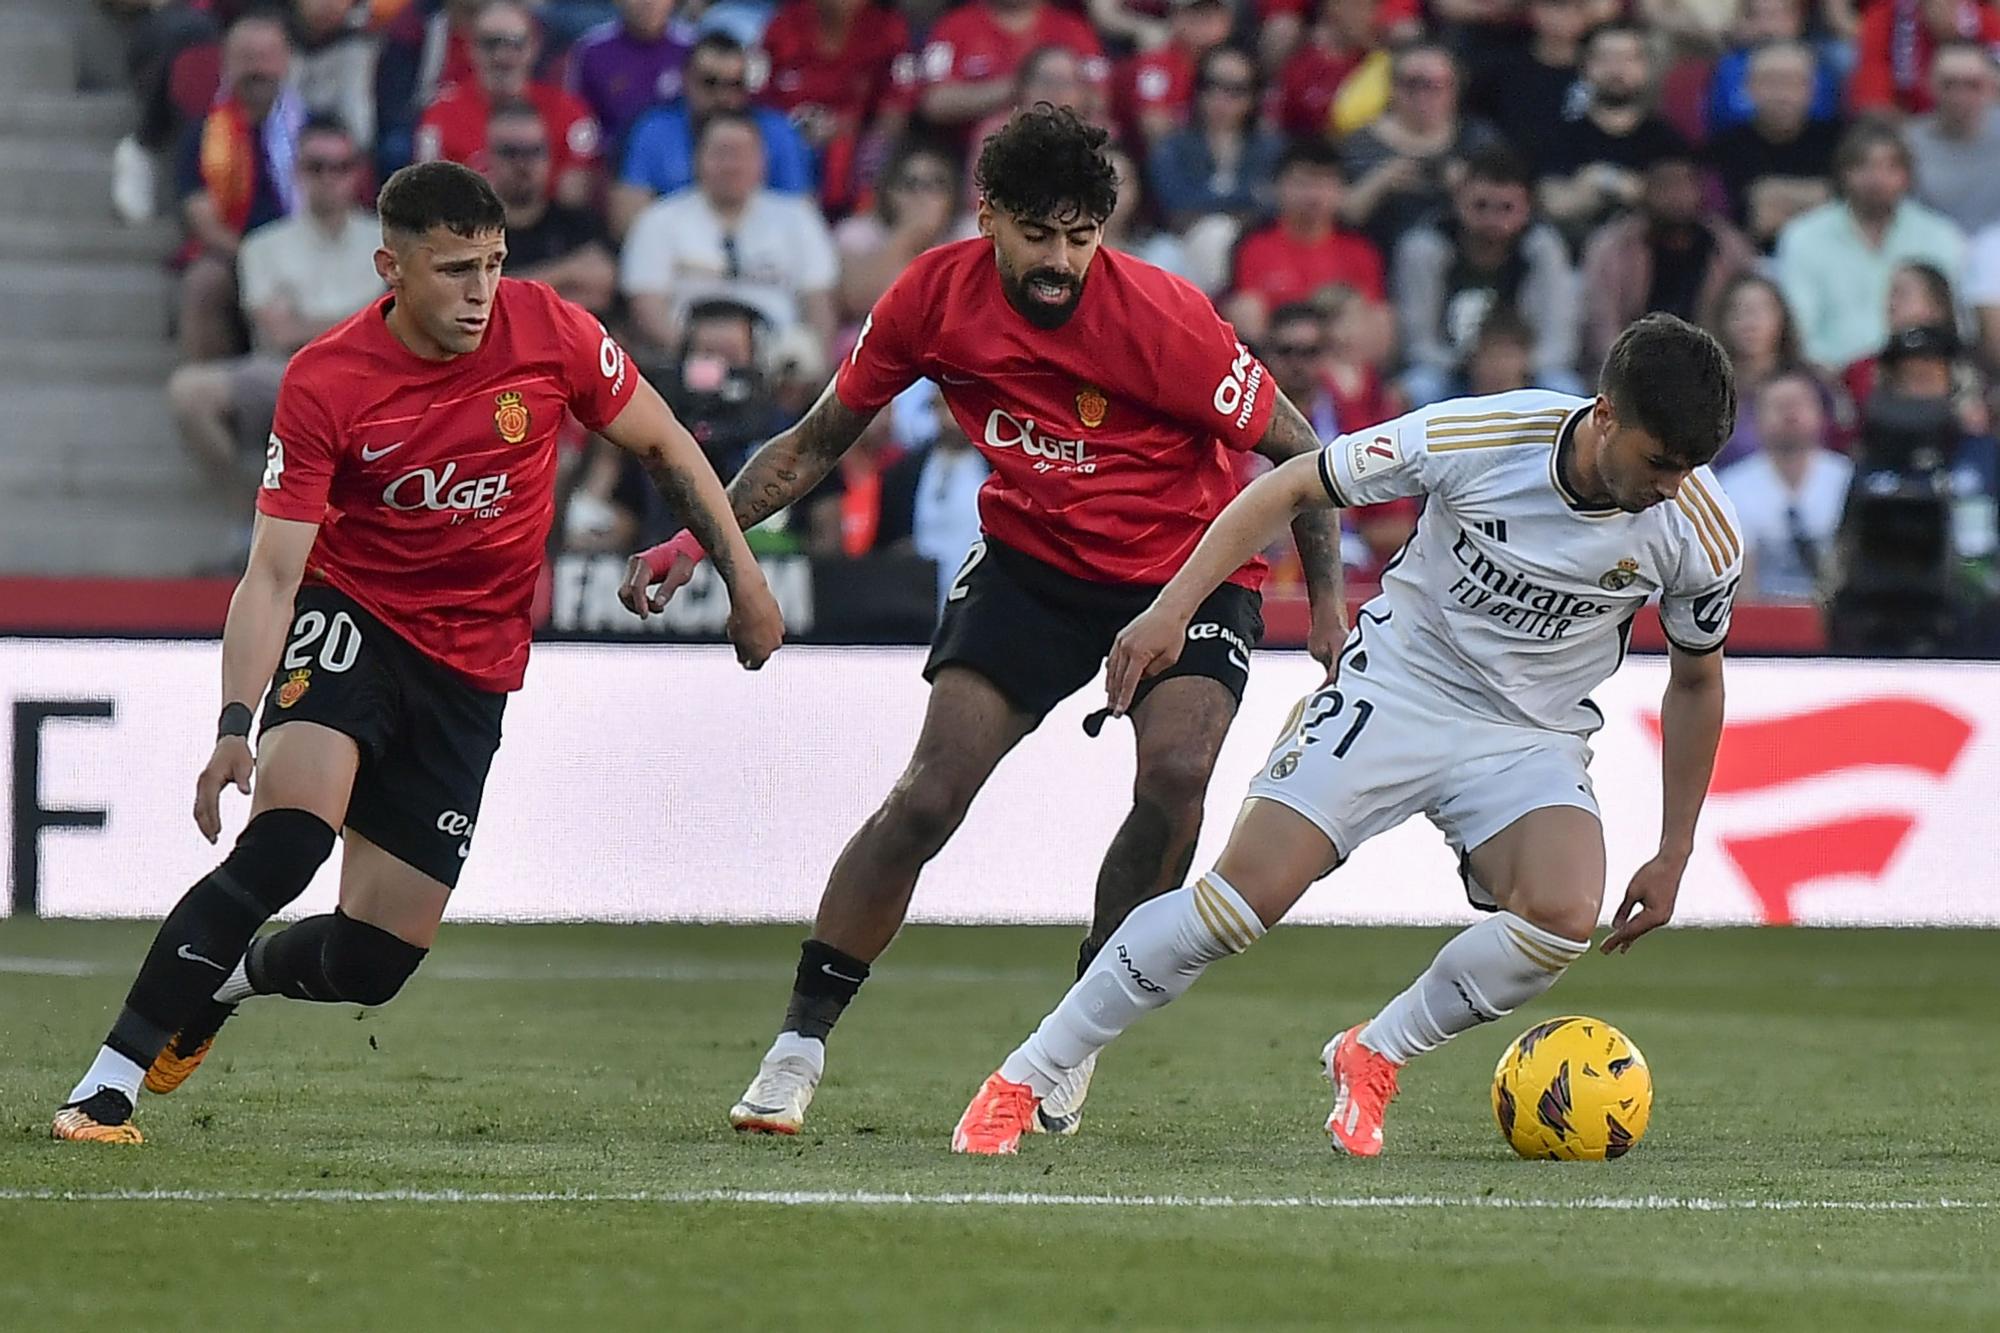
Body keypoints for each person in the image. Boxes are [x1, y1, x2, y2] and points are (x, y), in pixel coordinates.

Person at [617, 106, 1347, 1139]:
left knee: (1178, 776)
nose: (1059, 260)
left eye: (1079, 236)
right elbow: (816, 440)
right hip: (1030, 564)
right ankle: (796, 1047)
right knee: (927, 795)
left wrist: (1320, 610)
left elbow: (1301, 455)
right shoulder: (928, 297)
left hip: (1184, 573)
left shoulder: (1167, 318)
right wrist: (698, 543)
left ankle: (1074, 1036)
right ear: (987, 217)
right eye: (1036, 234)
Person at [51, 161, 783, 1144]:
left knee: (372, 962)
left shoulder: (552, 332)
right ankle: (107, 1083)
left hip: (473, 667)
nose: (478, 293)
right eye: (451, 271)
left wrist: (741, 575)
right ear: (389, 266)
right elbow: (272, 574)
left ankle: (227, 976)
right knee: (289, 838)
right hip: (353, 621)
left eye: (490, 265)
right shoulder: (326, 380)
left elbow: (665, 445)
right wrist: (235, 721)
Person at [950, 314, 1744, 1157]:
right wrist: (1170, 610)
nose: (1673, 484)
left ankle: (1375, 1053)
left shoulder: (1699, 530)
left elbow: (1696, 678)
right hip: (1397, 691)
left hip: (1528, 734)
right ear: (1606, 414)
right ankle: (1023, 1077)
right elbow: (1293, 483)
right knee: (1231, 909)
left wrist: (1675, 848)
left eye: (1691, 466)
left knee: (1560, 917)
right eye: (1662, 461)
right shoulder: (1476, 435)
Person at [168, 115, 383, 513]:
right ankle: (251, 510)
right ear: (298, 171)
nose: (329, 177)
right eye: (316, 166)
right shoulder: (263, 245)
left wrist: (309, 324)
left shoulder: (386, 242)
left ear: (357, 173)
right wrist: (356, 322)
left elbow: (389, 331)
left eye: (341, 167)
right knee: (188, 392)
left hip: (366, 380)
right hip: (285, 374)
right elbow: (280, 333)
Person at [620, 111, 840, 354]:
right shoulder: (658, 219)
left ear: (762, 161)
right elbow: (646, 303)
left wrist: (813, 361)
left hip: (777, 360)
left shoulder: (799, 219)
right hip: (685, 356)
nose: (731, 165)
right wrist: (692, 347)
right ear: (697, 158)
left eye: (741, 155)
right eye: (720, 153)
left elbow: (819, 301)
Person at [1393, 146, 1580, 405]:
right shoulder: (1425, 247)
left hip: (1526, 371)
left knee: (1565, 390)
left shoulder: (1543, 248)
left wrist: (1512, 367)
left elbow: (1557, 343)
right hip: (1450, 370)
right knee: (1418, 389)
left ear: (1527, 208)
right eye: (1480, 206)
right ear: (1458, 200)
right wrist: (1473, 366)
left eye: (1506, 208)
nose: (1492, 220)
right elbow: (1418, 343)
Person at [1775, 119, 1965, 372]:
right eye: (1862, 166)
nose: (1877, 179)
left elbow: (1955, 327)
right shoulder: (1803, 236)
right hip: (1831, 379)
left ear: (1907, 176)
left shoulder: (1940, 236)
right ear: (1842, 173)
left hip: (1919, 376)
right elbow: (1797, 329)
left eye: (1891, 167)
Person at [175, 11, 300, 362]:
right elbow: (200, 217)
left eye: (266, 58)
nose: (257, 69)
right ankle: (208, 390)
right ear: (227, 64)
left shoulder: (312, 127)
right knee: (202, 283)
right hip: (234, 253)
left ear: (287, 61)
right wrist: (256, 258)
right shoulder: (203, 133)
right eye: (246, 58)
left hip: (307, 248)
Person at [614, 32, 817, 236]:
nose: (723, 96)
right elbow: (630, 222)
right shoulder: (653, 130)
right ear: (686, 79)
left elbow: (802, 219)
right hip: (674, 254)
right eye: (710, 83)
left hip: (763, 253)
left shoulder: (777, 133)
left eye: (735, 84)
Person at [414, 0, 603, 210]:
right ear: (471, 47)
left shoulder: (568, 110)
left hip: (549, 234)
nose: (502, 56)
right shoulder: (442, 113)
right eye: (490, 43)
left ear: (534, 47)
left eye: (515, 43)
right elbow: (429, 197)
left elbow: (575, 200)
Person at [1580, 153, 1759, 371]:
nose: (1676, 196)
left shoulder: (1728, 246)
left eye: (1685, 184)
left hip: (1714, 370)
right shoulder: (1614, 248)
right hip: (1633, 369)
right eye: (1665, 185)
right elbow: (1602, 323)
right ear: (1646, 190)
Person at [1340, 42, 1501, 259]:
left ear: (1455, 90)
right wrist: (1380, 182)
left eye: (1436, 85)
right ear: (1392, 87)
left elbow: (1508, 209)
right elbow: (1341, 216)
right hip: (1378, 252)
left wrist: (1467, 188)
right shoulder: (1359, 143)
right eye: (1412, 84)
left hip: (1461, 256)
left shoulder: (1479, 140)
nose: (1423, 95)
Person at [1535, 20, 1689, 242]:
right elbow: (1553, 203)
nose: (1616, 69)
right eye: (1605, 58)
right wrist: (1617, 184)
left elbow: (1677, 206)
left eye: (1628, 58)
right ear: (1585, 67)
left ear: (1645, 67)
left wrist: (1596, 182)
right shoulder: (1561, 135)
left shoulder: (1668, 139)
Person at [1225, 138, 1386, 343]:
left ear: (1341, 191)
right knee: (1245, 308)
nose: (1313, 196)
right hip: (1275, 353)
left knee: (1378, 317)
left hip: (1340, 358)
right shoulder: (1254, 244)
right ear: (1278, 187)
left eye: (1324, 184)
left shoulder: (1360, 249)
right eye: (1303, 184)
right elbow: (1247, 313)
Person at [1718, 368, 1851, 602]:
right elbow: (1736, 580)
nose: (1790, 415)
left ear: (1821, 413)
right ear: (1756, 418)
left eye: (1799, 404)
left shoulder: (1847, 479)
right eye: (1779, 406)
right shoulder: (1731, 486)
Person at [1704, 41, 1843, 252]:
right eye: (1770, 82)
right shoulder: (1725, 147)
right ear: (1748, 88)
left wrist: (1769, 193)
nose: (1782, 93)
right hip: (1752, 261)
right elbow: (1750, 223)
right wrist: (1815, 198)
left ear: (1811, 89)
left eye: (1793, 82)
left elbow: (1846, 211)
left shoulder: (1840, 140)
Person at [485, 99, 618, 316]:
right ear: (489, 156)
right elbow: (479, 296)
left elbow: (601, 289)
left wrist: (513, 289)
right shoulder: (472, 231)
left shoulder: (579, 222)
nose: (522, 164)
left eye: (533, 151)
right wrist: (569, 270)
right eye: (510, 152)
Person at [1145, 45, 1285, 234]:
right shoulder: (1173, 146)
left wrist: (1210, 203)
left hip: (1252, 240)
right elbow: (1177, 204)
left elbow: (1275, 206)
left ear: (1254, 96)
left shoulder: (1271, 148)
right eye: (1211, 85)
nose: (1221, 98)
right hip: (1184, 241)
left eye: (1235, 90)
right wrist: (1248, 198)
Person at [565, 0, 695, 156]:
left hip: (681, 158)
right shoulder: (591, 51)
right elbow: (577, 119)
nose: (649, 3)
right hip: (610, 160)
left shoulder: (692, 47)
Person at [1704, 271, 1805, 468]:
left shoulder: (1808, 385)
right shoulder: (1707, 392)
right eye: (1739, 311)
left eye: (1761, 311)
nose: (1750, 322)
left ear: (1782, 317)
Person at [1907, 41, 2000, 236]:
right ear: (1929, 85)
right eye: (1949, 84)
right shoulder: (1908, 143)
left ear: (1992, 87)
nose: (1960, 95)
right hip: (1935, 250)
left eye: (1972, 85)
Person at [1850, 0, 2000, 117]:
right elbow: (1872, 94)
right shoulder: (1885, 18)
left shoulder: (1986, 21)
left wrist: (1952, 36)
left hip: (1977, 128)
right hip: (1908, 129)